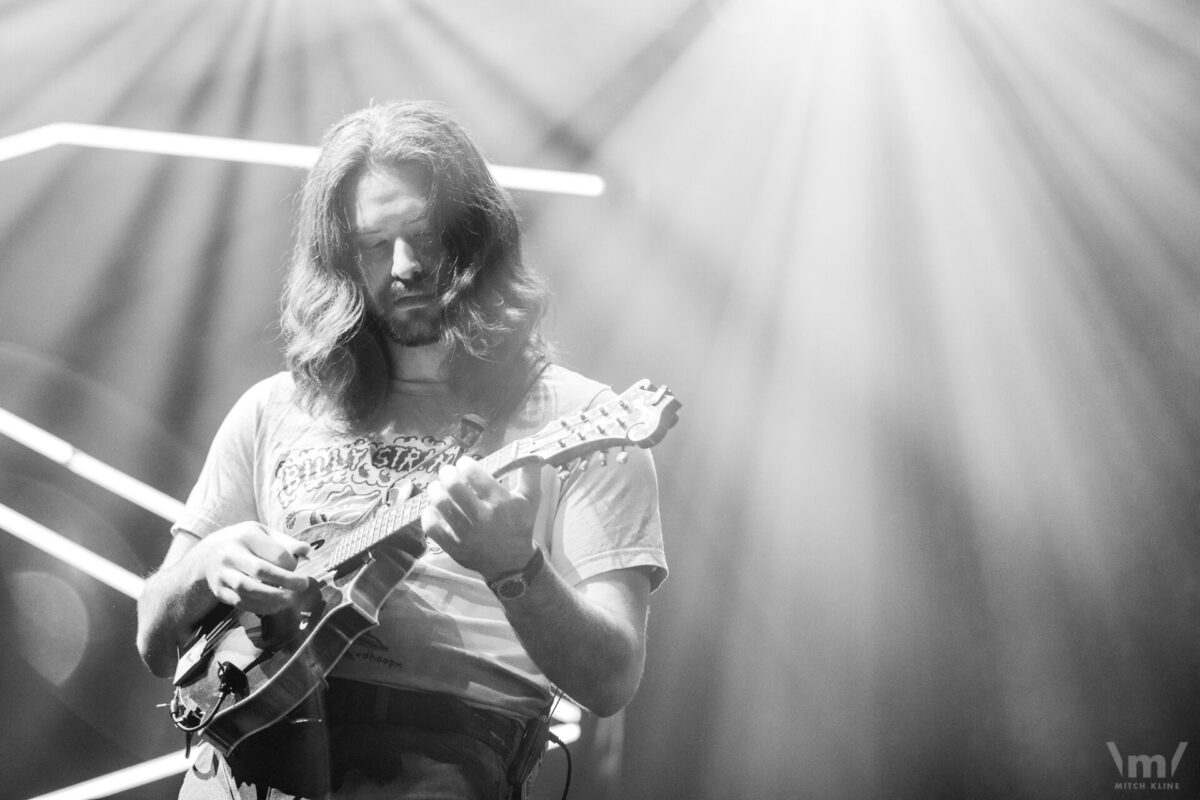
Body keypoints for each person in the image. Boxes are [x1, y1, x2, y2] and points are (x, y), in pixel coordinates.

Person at [135, 100, 668, 800]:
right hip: (237, 766)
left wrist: (516, 570)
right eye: (373, 245)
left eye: (424, 235)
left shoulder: (581, 417)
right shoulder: (273, 408)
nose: (406, 265)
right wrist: (209, 563)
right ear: (338, 258)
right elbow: (152, 637)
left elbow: (610, 680)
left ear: (477, 236)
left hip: (434, 765)